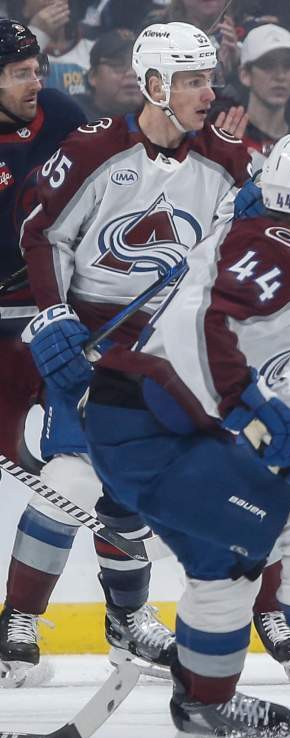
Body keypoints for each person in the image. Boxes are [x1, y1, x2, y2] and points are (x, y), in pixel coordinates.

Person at [80, 133, 290, 738]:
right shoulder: (281, 247)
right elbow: (199, 330)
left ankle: (204, 708)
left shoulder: (255, 239)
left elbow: (259, 381)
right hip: (157, 428)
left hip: (135, 423)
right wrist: (247, 410)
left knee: (225, 563)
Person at [8, 21, 290, 688]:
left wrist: (265, 215)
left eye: (208, 77)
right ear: (156, 85)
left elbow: (271, 247)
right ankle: (19, 617)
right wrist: (52, 316)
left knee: (241, 463)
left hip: (176, 345)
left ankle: (259, 611)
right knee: (77, 479)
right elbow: (43, 232)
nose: (207, 91)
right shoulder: (91, 151)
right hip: (91, 340)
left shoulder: (229, 161)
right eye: (193, 80)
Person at [0, 18, 85, 686]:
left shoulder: (62, 115)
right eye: (23, 72)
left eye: (39, 66)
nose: (40, 80)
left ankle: (22, 619)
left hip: (56, 327)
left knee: (80, 473)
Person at [236, 23, 290, 157]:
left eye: (288, 66)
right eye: (268, 65)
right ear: (245, 75)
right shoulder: (227, 139)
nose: (280, 76)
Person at [78, 28, 141, 121]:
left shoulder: (161, 119)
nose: (132, 73)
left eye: (139, 65)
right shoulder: (73, 118)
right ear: (92, 76)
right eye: (118, 64)